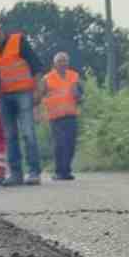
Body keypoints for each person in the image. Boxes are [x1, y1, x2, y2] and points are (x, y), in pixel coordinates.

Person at [0, 16, 47, 185]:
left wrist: (38, 90)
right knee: (9, 136)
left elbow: (36, 65)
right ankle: (16, 174)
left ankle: (34, 172)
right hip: (3, 97)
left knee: (28, 133)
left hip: (24, 93)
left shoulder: (18, 41)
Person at [38, 52, 84, 180]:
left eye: (65, 61)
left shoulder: (74, 76)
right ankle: (59, 171)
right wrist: (38, 112)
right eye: (60, 61)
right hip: (55, 116)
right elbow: (39, 95)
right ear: (54, 63)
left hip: (71, 114)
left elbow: (81, 94)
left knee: (71, 143)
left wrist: (78, 95)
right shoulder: (47, 78)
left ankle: (66, 171)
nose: (63, 63)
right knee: (60, 144)